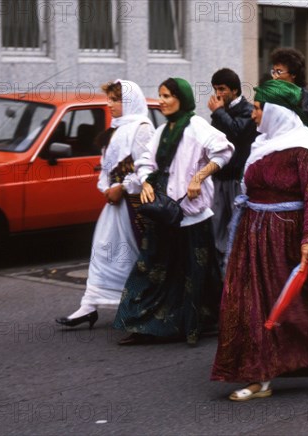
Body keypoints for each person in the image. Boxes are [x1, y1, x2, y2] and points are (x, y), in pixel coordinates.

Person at [211, 79, 308, 401]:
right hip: (254, 236)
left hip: (291, 238)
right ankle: (258, 375)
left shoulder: (306, 148)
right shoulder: (262, 145)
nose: (254, 115)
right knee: (252, 305)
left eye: (259, 108)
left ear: (277, 111)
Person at [113, 78, 233, 346]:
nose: (162, 101)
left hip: (191, 213)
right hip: (163, 211)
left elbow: (224, 151)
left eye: (167, 95)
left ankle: (201, 322)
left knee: (196, 272)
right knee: (151, 268)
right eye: (159, 95)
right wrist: (145, 181)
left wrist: (199, 177)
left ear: (182, 98)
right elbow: (145, 161)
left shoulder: (196, 126)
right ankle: (143, 325)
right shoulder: (162, 130)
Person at [56, 80, 154, 329]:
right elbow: (106, 167)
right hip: (114, 205)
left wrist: (123, 187)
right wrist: (106, 188)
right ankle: (89, 305)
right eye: (109, 99)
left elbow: (146, 168)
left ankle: (140, 304)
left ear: (129, 101)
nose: (109, 104)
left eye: (115, 100)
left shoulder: (141, 128)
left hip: (132, 205)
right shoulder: (116, 129)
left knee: (131, 254)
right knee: (103, 251)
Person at [208, 68, 258, 273]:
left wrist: (219, 113)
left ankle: (238, 269)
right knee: (217, 224)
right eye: (215, 89)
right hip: (219, 177)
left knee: (237, 226)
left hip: (237, 179)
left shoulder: (247, 110)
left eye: (222, 89)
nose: (218, 94)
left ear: (235, 90)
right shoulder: (222, 111)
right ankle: (221, 270)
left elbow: (238, 132)